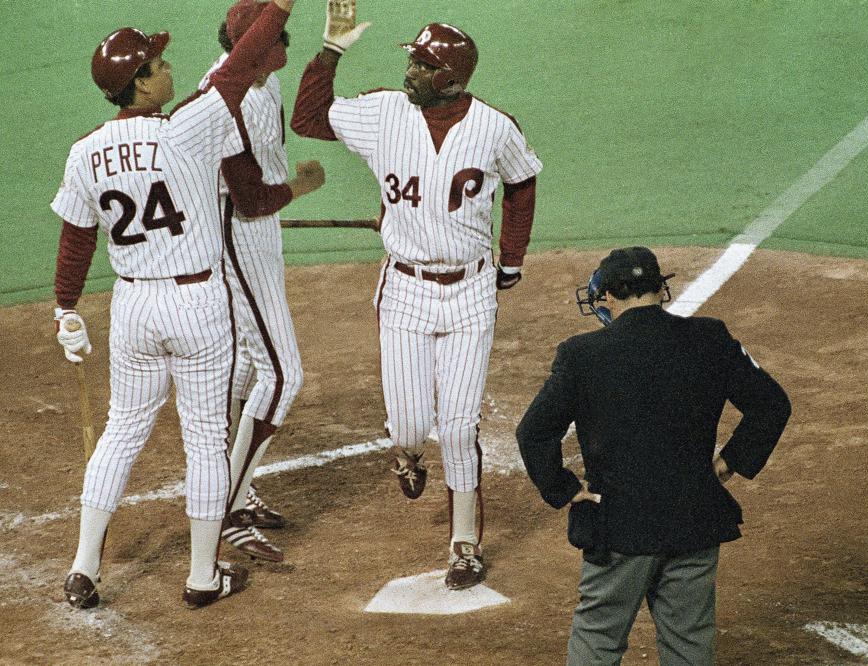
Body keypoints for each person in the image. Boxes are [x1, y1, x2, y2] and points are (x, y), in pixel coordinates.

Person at [51, 0, 298, 610]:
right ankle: (200, 576)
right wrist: (282, 6)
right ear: (138, 82)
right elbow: (242, 64)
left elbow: (77, 238)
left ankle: (84, 567)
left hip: (133, 308)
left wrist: (65, 309)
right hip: (196, 306)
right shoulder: (190, 124)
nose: (169, 67)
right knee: (205, 438)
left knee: (121, 431)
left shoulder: (86, 151)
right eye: (157, 63)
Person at [291, 0, 543, 589]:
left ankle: (463, 546)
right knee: (408, 425)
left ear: (450, 79)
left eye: (422, 66)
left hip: (471, 290)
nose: (410, 73)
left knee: (458, 426)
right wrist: (331, 49)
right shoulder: (384, 113)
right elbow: (306, 117)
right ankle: (406, 453)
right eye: (412, 61)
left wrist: (512, 260)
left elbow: (523, 183)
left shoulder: (493, 127)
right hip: (404, 288)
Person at [516, 247, 791, 665]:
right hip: (695, 516)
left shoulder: (582, 354)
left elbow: (534, 431)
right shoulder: (711, 338)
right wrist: (728, 463)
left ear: (608, 297)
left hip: (619, 525)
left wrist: (564, 489)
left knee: (598, 638)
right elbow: (772, 405)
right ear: (660, 290)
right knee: (689, 643)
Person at [198, 0, 325, 563]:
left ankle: (235, 490)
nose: (285, 45)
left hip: (255, 231)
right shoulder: (230, 100)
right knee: (282, 373)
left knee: (249, 365)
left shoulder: (262, 84)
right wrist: (299, 188)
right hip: (237, 233)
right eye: (276, 38)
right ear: (250, 46)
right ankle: (220, 505)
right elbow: (248, 202)